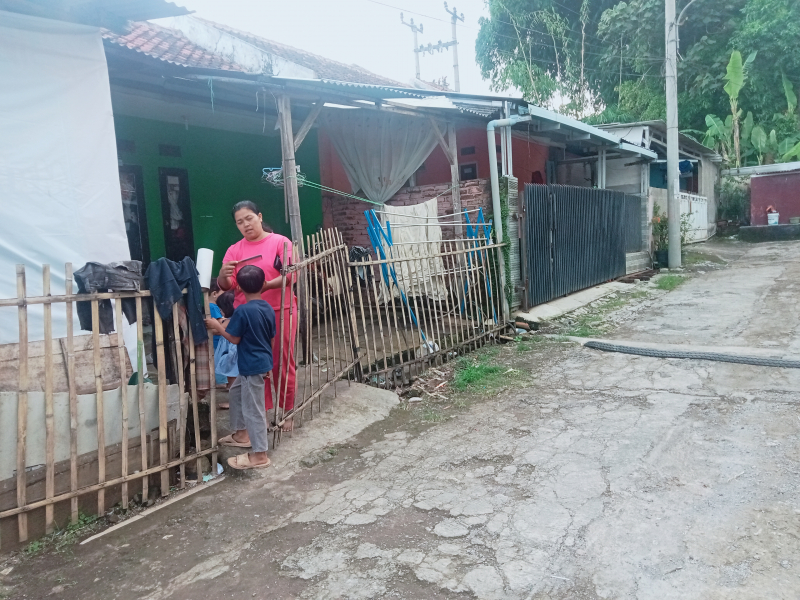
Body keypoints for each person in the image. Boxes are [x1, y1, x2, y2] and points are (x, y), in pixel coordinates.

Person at [217, 200, 298, 431]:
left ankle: (287, 412)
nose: (245, 225)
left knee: (282, 362)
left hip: (280, 311)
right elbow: (228, 285)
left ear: (259, 217)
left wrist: (267, 285)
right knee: (254, 366)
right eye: (239, 222)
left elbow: (292, 275)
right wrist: (223, 275)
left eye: (249, 218)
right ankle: (261, 412)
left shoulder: (281, 242)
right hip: (247, 317)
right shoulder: (234, 250)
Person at [205, 265, 275, 470]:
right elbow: (271, 338)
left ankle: (260, 454)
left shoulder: (243, 310)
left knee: (254, 410)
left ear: (239, 289)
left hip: (251, 365)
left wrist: (218, 327)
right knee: (236, 391)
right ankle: (241, 434)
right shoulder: (268, 307)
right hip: (260, 361)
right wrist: (268, 363)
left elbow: (234, 339)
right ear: (264, 284)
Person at [213, 290, 238, 409]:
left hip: (231, 353)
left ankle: (233, 402)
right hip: (230, 352)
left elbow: (217, 330)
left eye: (221, 309)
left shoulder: (231, 321)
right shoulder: (232, 319)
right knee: (231, 376)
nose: (220, 312)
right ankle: (233, 399)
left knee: (232, 377)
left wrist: (214, 324)